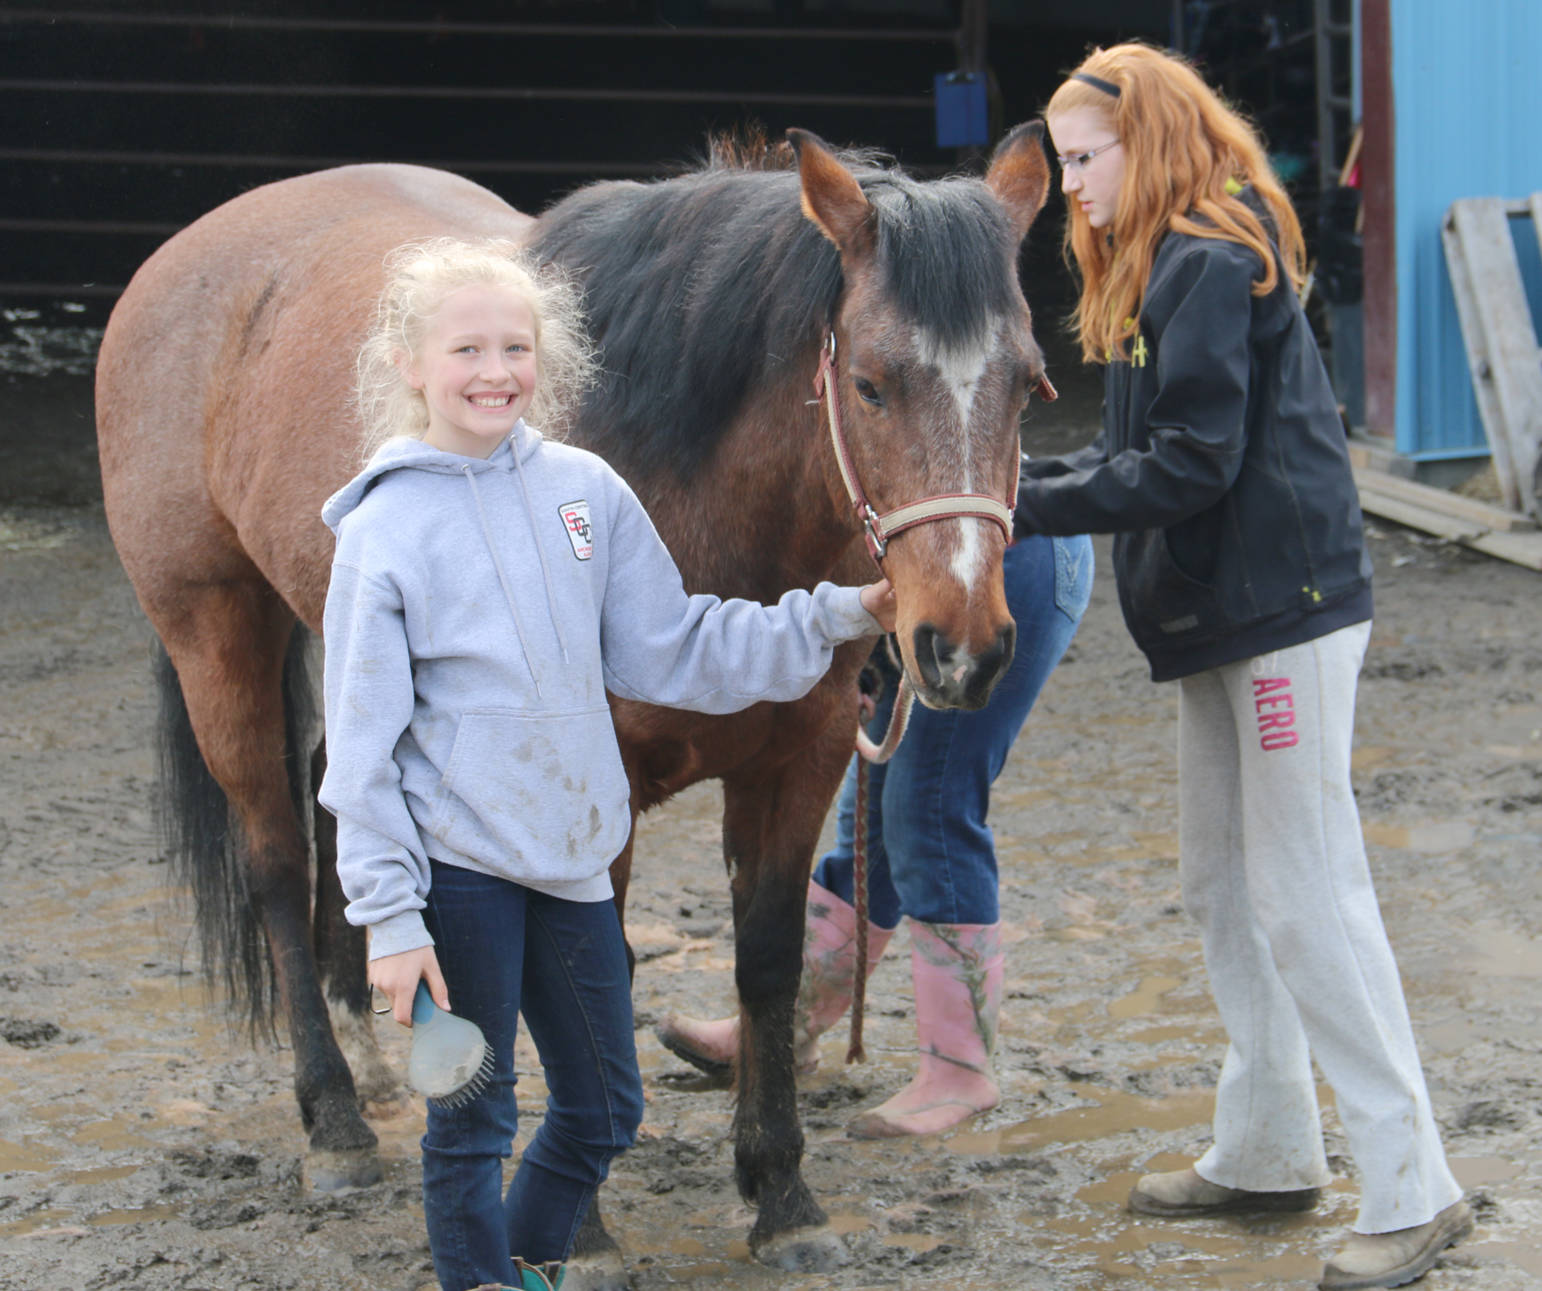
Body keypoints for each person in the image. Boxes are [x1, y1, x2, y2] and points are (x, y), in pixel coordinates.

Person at [318, 237, 896, 1291]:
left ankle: (528, 1264)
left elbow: (674, 646)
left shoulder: (587, 491)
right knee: (471, 1125)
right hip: (460, 881)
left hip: (576, 868)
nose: (496, 372)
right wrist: (390, 922)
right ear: (408, 362)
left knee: (603, 1110)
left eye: (516, 347)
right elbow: (359, 754)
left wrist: (841, 613)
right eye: (466, 350)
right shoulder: (383, 531)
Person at [1010, 42, 1471, 1291]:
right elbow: (1154, 457)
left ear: (1144, 142)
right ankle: (1270, 1146)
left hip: (1284, 614)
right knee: (1221, 882)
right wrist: (1013, 488)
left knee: (1309, 896)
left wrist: (1019, 501)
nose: (1072, 186)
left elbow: (1191, 464)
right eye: (1063, 164)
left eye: (1085, 159)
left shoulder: (1208, 259)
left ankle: (1413, 1184)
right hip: (1225, 613)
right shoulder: (1163, 257)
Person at [659, 521, 1095, 1137]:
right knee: (870, 813)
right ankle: (794, 1025)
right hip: (913, 571)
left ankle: (960, 1071)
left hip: (992, 568)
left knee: (930, 803)